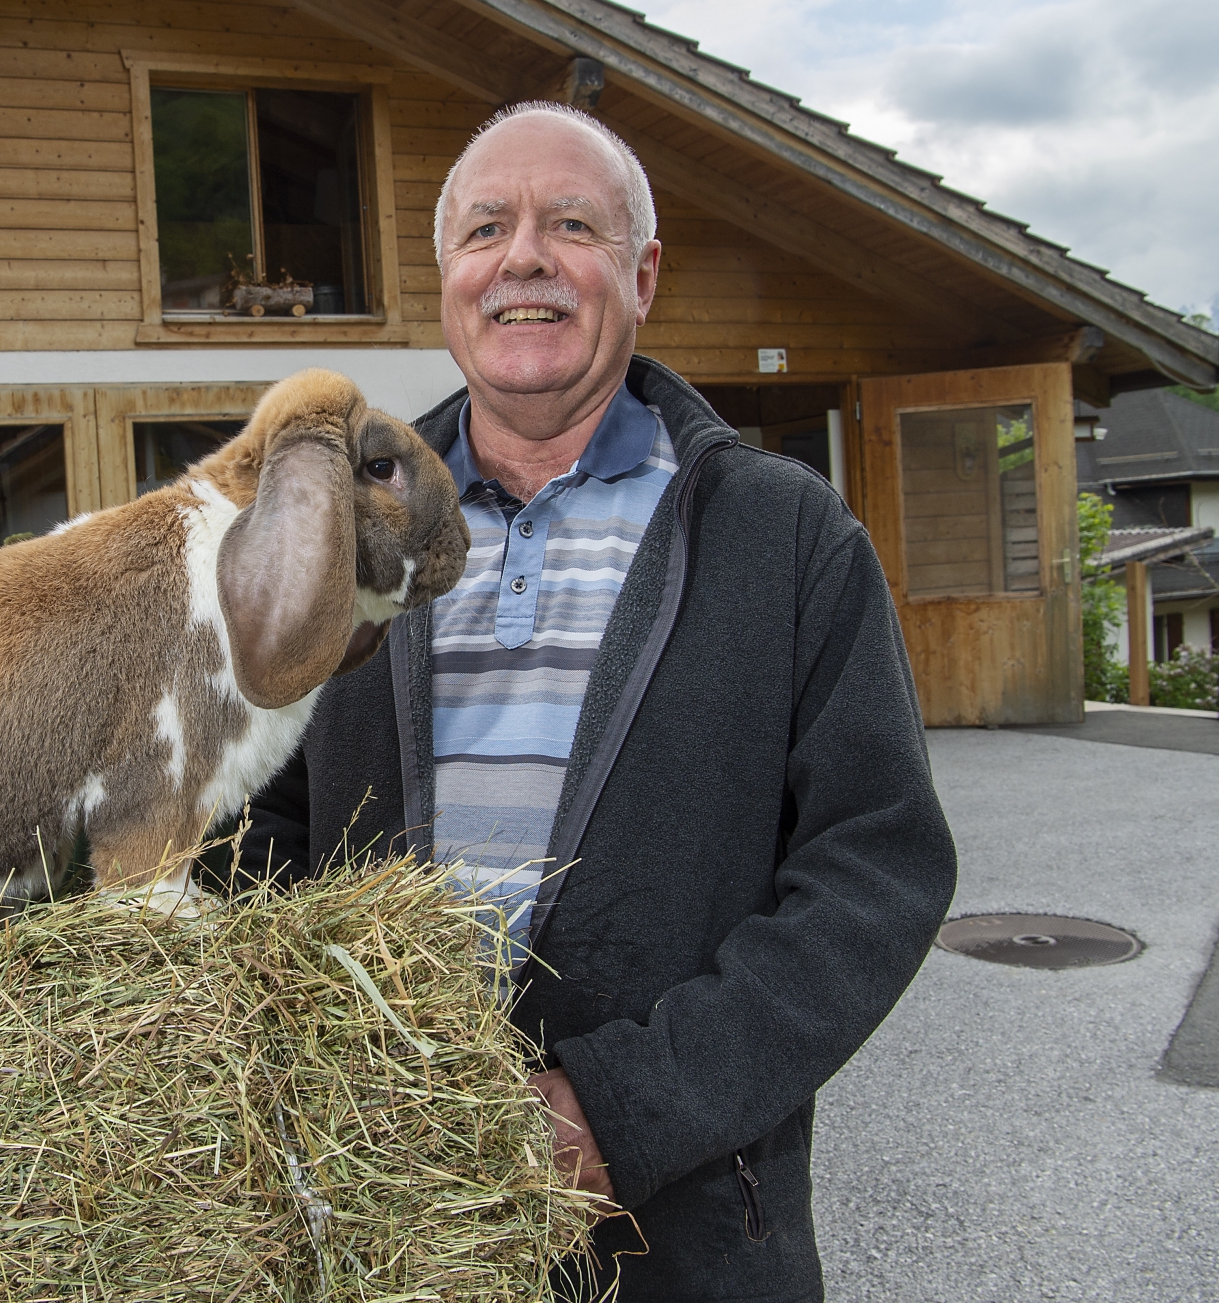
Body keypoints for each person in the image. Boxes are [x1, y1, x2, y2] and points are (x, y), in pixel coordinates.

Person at [238, 102, 957, 1301]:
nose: (521, 257)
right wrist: (308, 1079)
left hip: (682, 1232)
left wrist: (622, 1110)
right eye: (484, 229)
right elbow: (250, 830)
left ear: (643, 274)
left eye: (570, 223)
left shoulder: (781, 535)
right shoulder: (332, 530)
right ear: (446, 280)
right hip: (375, 1211)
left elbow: (871, 872)